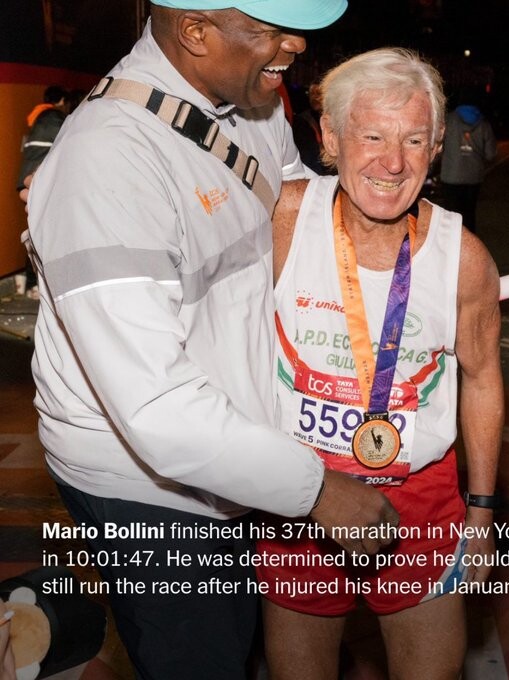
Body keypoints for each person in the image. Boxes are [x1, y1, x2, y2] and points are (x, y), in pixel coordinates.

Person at [24, 3, 400, 679]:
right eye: (268, 29)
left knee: (238, 635)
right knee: (201, 657)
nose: (295, 43)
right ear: (195, 32)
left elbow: (295, 209)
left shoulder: (252, 101)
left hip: (233, 449)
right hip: (152, 491)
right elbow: (157, 410)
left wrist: (407, 257)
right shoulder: (105, 166)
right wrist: (319, 491)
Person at [256, 48, 504, 679]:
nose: (393, 163)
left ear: (437, 147)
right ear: (329, 138)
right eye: (372, 136)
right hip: (299, 496)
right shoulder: (281, 221)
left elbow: (481, 378)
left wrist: (481, 511)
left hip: (420, 501)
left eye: (414, 140)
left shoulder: (464, 258)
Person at [16, 85, 68, 299]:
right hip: (38, 181)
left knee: (36, 230)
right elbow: (67, 145)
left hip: (28, 180)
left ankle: (33, 284)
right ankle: (36, 284)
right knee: (44, 233)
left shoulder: (36, 117)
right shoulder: (53, 118)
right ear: (62, 100)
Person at [439, 87, 497, 233]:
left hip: (451, 176)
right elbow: (490, 154)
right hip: (473, 177)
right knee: (469, 212)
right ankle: (468, 240)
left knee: (450, 214)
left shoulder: (448, 120)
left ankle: (450, 240)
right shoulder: (484, 124)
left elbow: (437, 147)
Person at [292, 80, 331, 175]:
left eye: (318, 93)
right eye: (311, 94)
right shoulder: (302, 120)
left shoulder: (336, 118)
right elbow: (308, 157)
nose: (314, 97)